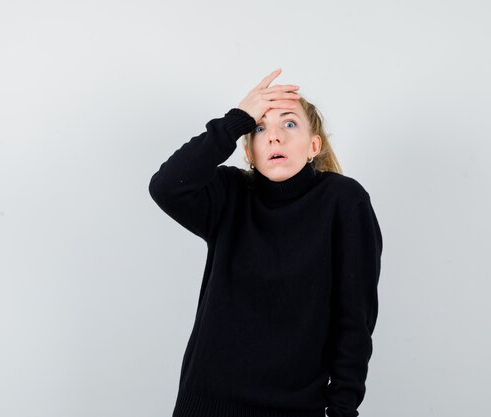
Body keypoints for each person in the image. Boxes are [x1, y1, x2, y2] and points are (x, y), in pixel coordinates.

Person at [148, 68, 383, 417]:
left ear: (313, 146)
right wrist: (237, 119)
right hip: (207, 404)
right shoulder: (229, 194)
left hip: (295, 408)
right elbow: (166, 186)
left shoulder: (344, 202)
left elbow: (355, 321)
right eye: (260, 127)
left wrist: (342, 409)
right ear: (249, 152)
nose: (274, 137)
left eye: (289, 124)